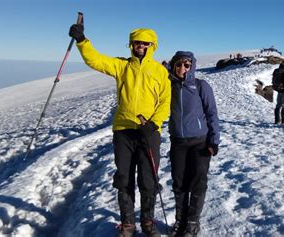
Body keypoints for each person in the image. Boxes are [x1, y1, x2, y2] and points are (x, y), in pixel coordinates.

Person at [69, 24, 171, 237]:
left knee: (148, 180)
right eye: (137, 42)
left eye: (145, 43)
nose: (141, 46)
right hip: (123, 130)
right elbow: (95, 60)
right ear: (131, 44)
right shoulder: (121, 66)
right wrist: (82, 41)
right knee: (124, 178)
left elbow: (165, 102)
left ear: (152, 46)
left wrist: (154, 124)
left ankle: (148, 224)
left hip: (149, 132)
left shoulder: (160, 71)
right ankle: (127, 225)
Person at [167, 51, 220, 237]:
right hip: (178, 142)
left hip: (200, 142)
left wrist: (214, 139)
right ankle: (180, 220)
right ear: (174, 66)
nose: (182, 69)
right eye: (179, 65)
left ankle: (192, 222)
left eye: (187, 65)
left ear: (192, 67)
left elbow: (212, 113)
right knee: (179, 182)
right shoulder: (169, 85)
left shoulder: (200, 85)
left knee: (198, 181)